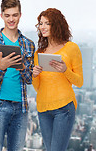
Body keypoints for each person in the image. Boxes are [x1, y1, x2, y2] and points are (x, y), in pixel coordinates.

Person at [0, 0, 35, 151]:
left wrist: (23, 68)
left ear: (20, 15)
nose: (11, 19)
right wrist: (1, 67)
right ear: (2, 16)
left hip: (20, 107)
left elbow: (28, 80)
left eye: (14, 15)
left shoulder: (28, 44)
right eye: (7, 15)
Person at [32, 8, 83, 151]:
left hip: (64, 108)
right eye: (40, 23)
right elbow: (38, 87)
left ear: (57, 24)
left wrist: (65, 70)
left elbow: (79, 82)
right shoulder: (39, 53)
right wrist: (34, 75)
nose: (42, 27)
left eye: (47, 23)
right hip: (43, 109)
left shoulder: (71, 48)